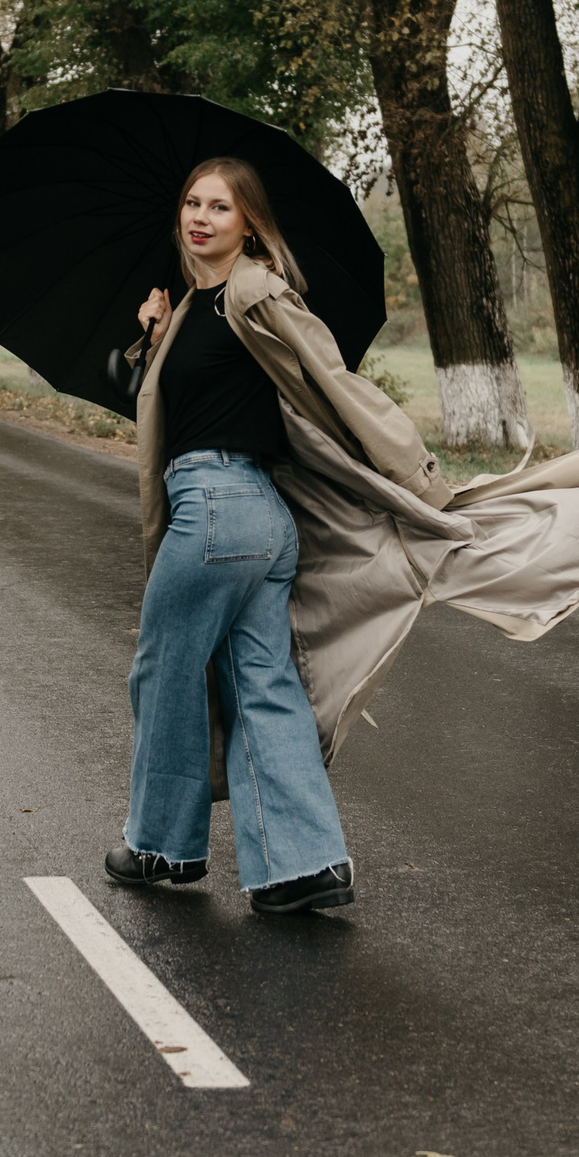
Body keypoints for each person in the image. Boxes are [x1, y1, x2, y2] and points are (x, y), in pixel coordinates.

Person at [105, 159, 356, 914]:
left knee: (164, 669)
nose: (202, 215)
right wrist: (150, 334)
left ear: (249, 222)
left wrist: (413, 467)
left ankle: (162, 845)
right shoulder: (192, 306)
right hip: (256, 521)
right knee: (262, 684)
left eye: (221, 205)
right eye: (192, 202)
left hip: (218, 506)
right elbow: (158, 404)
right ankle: (304, 863)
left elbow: (329, 374)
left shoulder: (250, 289)